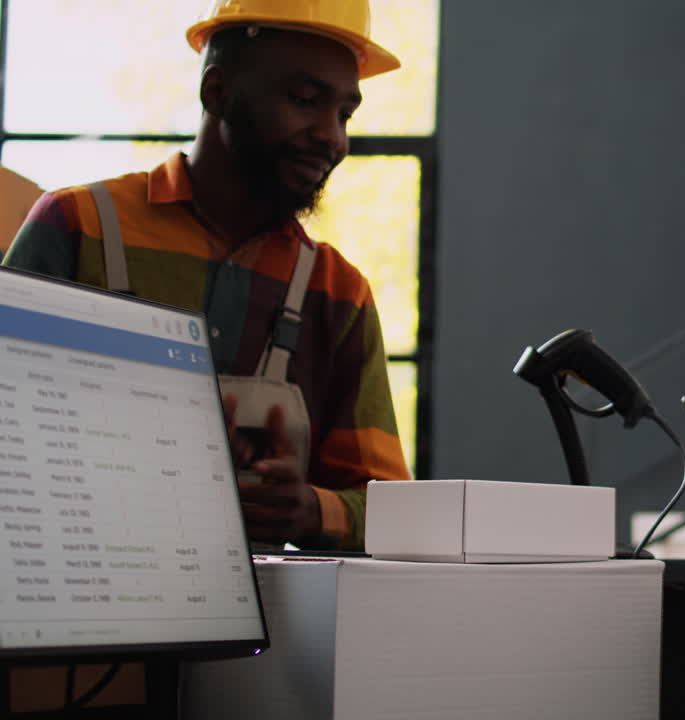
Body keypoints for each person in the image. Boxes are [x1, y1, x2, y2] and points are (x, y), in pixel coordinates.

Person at [3, 0, 411, 551]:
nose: (332, 138)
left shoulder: (337, 293)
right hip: (72, 598)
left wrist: (310, 510)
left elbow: (390, 507)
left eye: (344, 115)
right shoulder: (79, 228)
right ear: (216, 92)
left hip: (265, 632)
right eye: (305, 100)